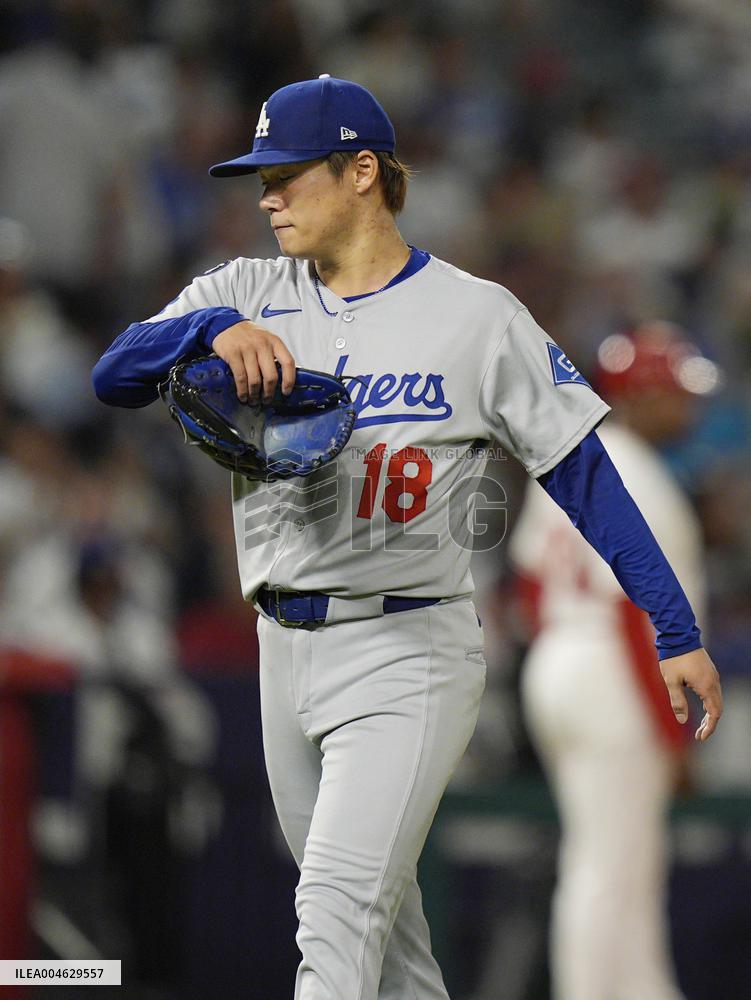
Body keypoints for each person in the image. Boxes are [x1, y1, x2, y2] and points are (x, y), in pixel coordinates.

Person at [92, 76, 723, 1000]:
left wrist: (675, 628)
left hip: (406, 645)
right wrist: (213, 331)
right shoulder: (242, 288)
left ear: (360, 172)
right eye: (258, 176)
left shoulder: (476, 316)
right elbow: (114, 375)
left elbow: (585, 475)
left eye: (287, 172)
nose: (266, 194)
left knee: (335, 919)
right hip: (282, 647)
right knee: (386, 953)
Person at [510, 322, 721, 1000]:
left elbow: (531, 586)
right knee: (607, 864)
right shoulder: (640, 476)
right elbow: (641, 613)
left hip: (558, 660)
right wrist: (673, 729)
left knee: (619, 859)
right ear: (638, 395)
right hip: (614, 673)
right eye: (672, 392)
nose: (685, 406)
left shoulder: (578, 461)